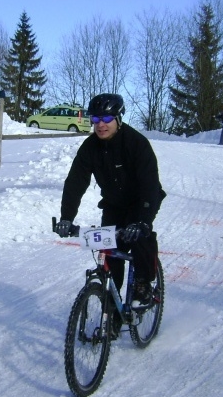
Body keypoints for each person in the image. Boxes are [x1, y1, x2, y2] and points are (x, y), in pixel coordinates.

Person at [55, 93, 166, 319]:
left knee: (139, 236)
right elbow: (76, 181)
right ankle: (112, 317)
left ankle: (144, 284)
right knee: (111, 255)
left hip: (142, 201)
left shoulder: (137, 144)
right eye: (95, 120)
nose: (100, 125)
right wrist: (67, 217)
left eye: (106, 119)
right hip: (114, 205)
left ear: (118, 118)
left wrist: (143, 220)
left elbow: (149, 184)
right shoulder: (89, 148)